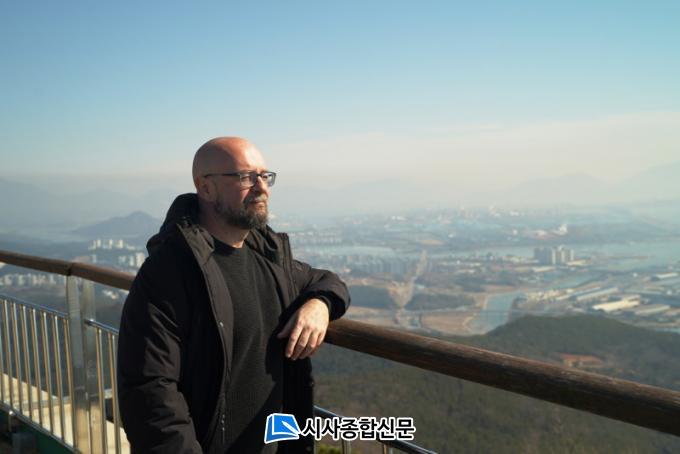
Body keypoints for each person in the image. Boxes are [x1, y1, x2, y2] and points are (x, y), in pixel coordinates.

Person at [117, 137, 350, 453]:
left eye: (265, 176)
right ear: (206, 188)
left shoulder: (270, 259)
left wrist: (319, 304)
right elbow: (150, 393)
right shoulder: (169, 273)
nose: (261, 187)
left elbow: (328, 281)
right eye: (245, 177)